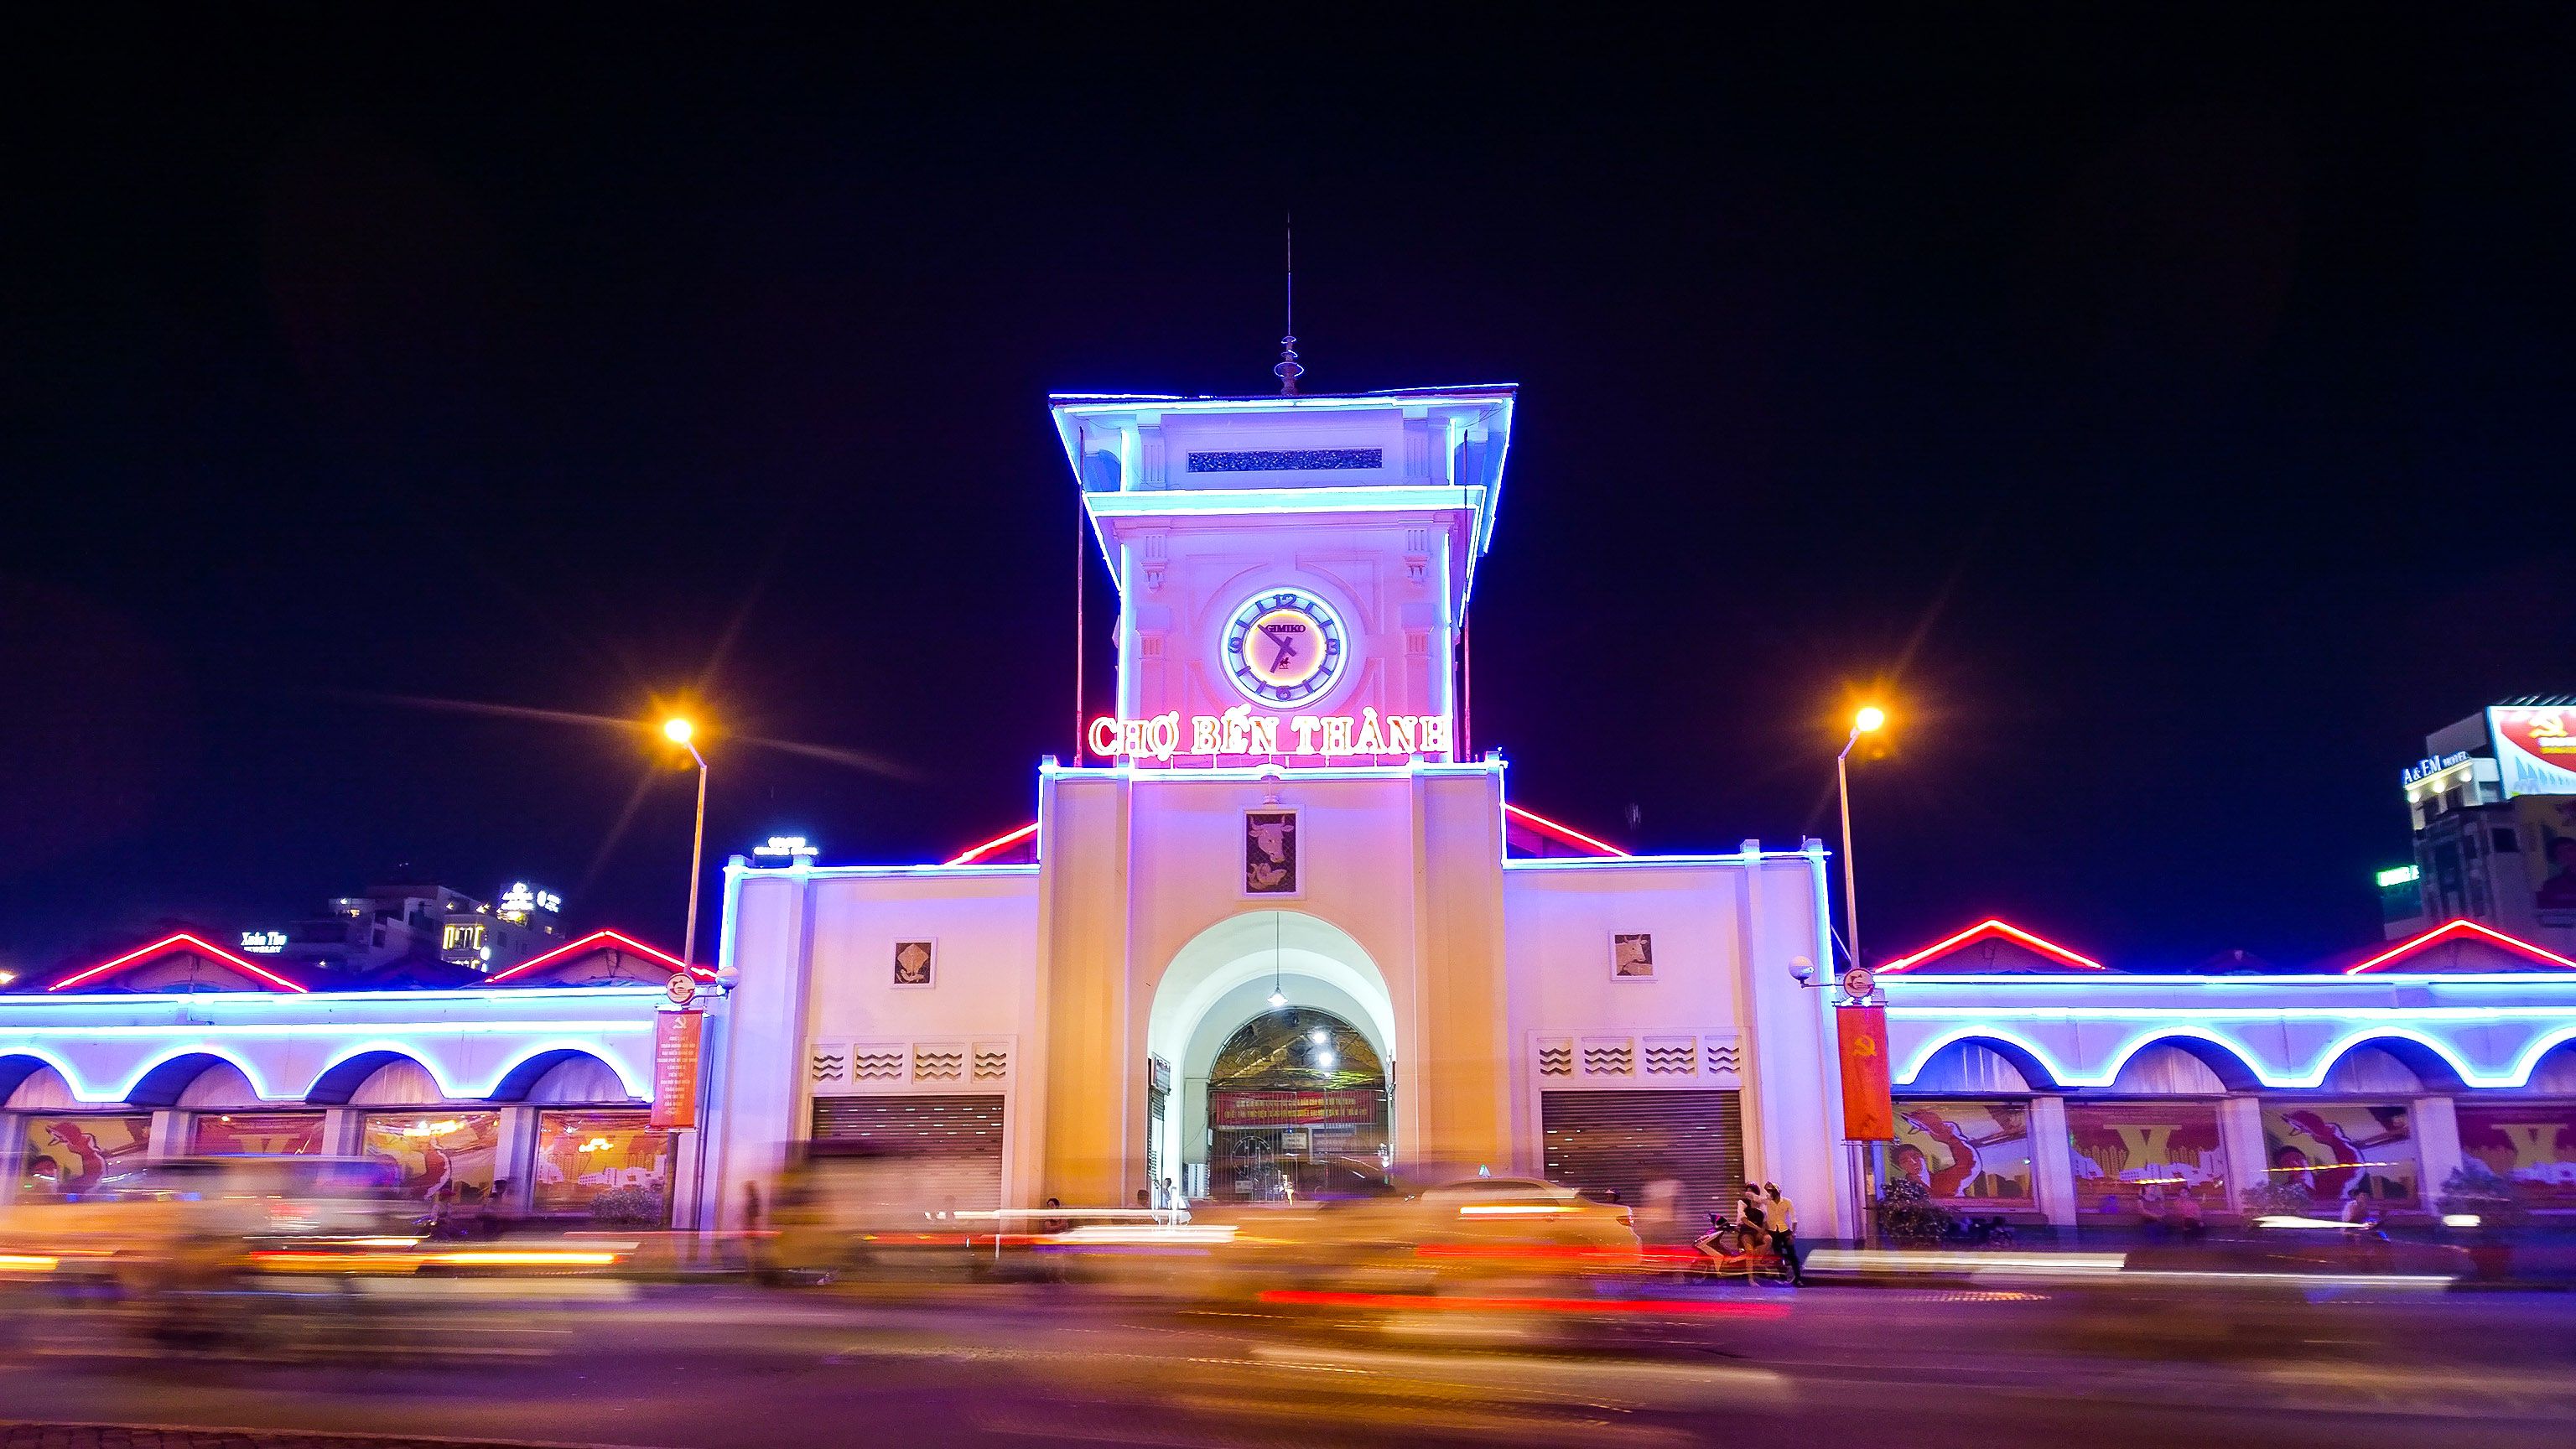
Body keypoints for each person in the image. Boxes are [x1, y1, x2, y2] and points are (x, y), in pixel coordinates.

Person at [1764, 1182, 1803, 1285]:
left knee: (1792, 1255)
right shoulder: (1768, 1202)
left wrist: (1793, 1233)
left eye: (1771, 1192)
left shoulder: (1787, 1202)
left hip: (1785, 1231)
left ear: (1776, 1192)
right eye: (1768, 1192)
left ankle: (1798, 1278)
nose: (1769, 1194)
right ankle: (1783, 1278)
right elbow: (1755, 1198)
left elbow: (1794, 1218)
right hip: (1773, 1232)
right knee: (1778, 1255)